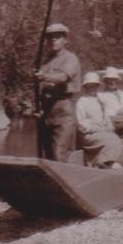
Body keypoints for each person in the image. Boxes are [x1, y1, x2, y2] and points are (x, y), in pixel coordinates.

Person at [34, 23, 81, 162]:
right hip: (47, 113)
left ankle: (65, 182)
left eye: (57, 37)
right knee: (47, 155)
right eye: (49, 38)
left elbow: (63, 77)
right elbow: (40, 87)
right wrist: (37, 108)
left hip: (64, 111)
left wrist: (43, 76)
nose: (53, 40)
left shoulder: (70, 58)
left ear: (65, 40)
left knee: (59, 153)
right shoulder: (46, 62)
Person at [75, 72, 123, 169]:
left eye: (95, 86)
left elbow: (106, 116)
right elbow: (81, 124)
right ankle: (103, 163)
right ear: (85, 87)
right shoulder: (82, 102)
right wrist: (98, 128)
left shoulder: (100, 99)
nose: (93, 88)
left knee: (115, 137)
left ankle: (111, 162)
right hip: (88, 134)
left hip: (101, 131)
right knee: (110, 139)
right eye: (90, 86)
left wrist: (108, 126)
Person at [97, 66, 123, 134]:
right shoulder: (100, 95)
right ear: (105, 81)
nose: (112, 82)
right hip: (110, 127)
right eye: (110, 80)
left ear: (117, 80)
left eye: (114, 79)